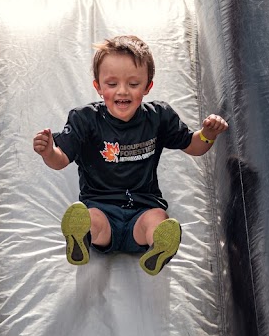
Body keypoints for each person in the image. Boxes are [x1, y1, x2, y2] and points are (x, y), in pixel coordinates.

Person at [33, 35, 228, 276]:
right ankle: (80, 238)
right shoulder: (85, 120)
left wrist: (208, 134)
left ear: (148, 86)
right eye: (112, 84)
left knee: (158, 219)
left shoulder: (159, 117)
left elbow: (193, 146)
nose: (122, 91)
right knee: (92, 219)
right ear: (98, 86)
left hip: (143, 208)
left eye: (133, 84)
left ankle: (159, 248)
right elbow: (60, 159)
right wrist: (49, 151)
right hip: (101, 206)